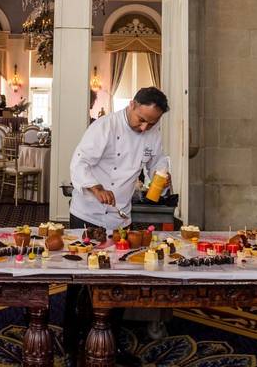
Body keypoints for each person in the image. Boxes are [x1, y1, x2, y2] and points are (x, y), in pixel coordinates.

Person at [64, 87, 171, 366]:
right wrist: (96, 188)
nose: (145, 126)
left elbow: (156, 161)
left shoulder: (151, 132)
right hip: (87, 212)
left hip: (120, 215)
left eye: (152, 122)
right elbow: (79, 163)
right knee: (81, 281)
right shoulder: (105, 127)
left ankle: (111, 341)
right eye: (141, 119)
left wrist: (162, 175)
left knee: (117, 280)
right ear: (133, 104)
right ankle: (72, 342)